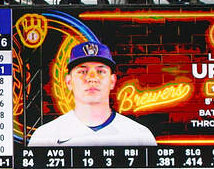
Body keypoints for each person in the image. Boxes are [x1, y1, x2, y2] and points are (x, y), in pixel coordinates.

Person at [27, 40, 156, 147]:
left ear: (112, 81)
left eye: (100, 71)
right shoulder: (45, 136)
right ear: (69, 82)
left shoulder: (139, 136)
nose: (92, 78)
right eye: (82, 72)